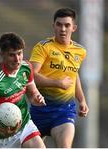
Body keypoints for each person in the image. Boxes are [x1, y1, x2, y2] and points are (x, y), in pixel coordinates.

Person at [29, 8, 89, 148]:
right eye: (59, 24)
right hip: (39, 111)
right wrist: (57, 83)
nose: (62, 29)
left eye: (67, 25)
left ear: (73, 28)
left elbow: (74, 75)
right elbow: (30, 76)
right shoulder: (43, 47)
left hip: (64, 111)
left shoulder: (80, 51)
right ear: (53, 26)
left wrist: (82, 99)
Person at [0, 32, 46, 148]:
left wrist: (37, 97)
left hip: (24, 124)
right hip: (1, 137)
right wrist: (1, 130)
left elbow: (32, 93)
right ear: (2, 54)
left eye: (20, 53)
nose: (17, 59)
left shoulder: (26, 68)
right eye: (12, 55)